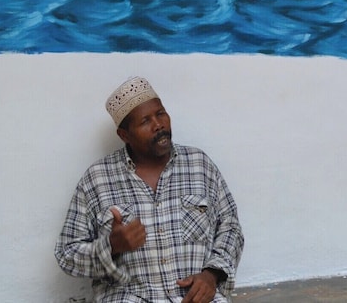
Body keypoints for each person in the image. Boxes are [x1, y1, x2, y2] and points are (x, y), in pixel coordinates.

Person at [55, 76, 244, 303]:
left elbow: (230, 226)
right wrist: (111, 247)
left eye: (161, 113)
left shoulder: (199, 164)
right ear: (124, 135)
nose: (159, 125)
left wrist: (212, 275)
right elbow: (67, 255)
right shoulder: (97, 180)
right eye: (145, 121)